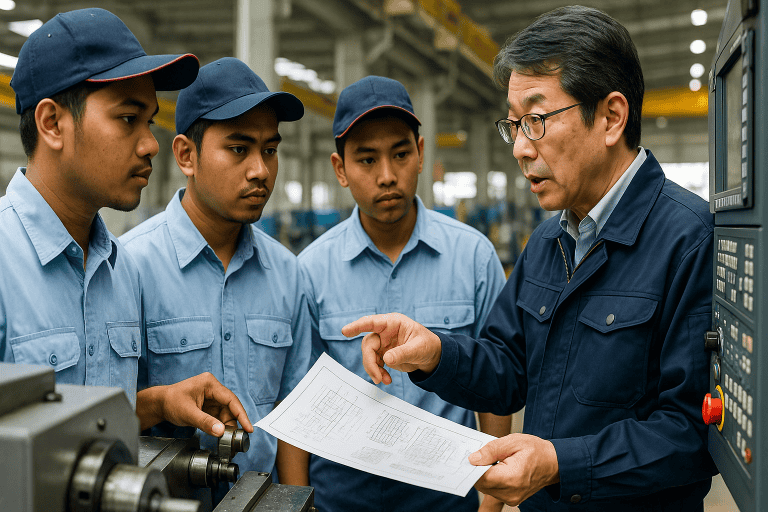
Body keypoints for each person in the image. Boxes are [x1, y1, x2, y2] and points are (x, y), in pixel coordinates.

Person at [345, 6, 718, 511]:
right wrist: (435, 352)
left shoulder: (689, 240)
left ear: (611, 117)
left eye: (537, 121)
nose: (520, 148)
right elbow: (507, 372)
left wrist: (560, 464)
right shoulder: (548, 242)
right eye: (514, 126)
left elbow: (691, 435)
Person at [0, 8, 251, 439]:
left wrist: (156, 403)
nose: (151, 144)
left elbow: (94, 422)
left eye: (149, 121)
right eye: (127, 119)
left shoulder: (121, 271)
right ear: (51, 124)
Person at [298, 75, 511, 512]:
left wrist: (491, 502)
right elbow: (301, 401)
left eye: (399, 154)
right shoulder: (310, 271)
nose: (387, 176)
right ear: (340, 169)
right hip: (341, 501)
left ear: (420, 154)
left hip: (448, 501)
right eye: (367, 160)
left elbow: (495, 386)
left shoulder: (473, 258)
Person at [119, 57, 310, 480]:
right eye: (239, 149)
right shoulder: (128, 266)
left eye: (270, 150)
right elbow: (105, 413)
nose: (261, 170)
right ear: (187, 155)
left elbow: (292, 410)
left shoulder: (288, 274)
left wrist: (295, 501)